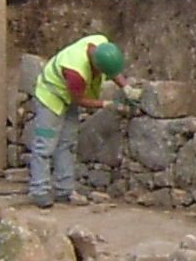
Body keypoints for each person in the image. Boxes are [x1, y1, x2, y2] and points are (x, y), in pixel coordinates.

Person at [28, 32, 126, 206]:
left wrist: (127, 88)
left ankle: (64, 190)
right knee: (45, 145)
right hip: (50, 96)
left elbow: (112, 71)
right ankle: (39, 190)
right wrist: (106, 104)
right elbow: (78, 99)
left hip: (68, 95)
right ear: (96, 65)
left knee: (67, 143)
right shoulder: (76, 72)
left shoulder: (101, 44)